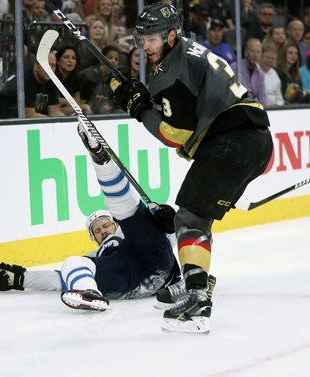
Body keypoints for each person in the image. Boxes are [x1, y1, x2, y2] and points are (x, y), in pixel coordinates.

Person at [110, 2, 273, 334]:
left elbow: (175, 134)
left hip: (234, 139)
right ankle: (196, 275)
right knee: (198, 212)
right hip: (250, 139)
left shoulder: (171, 71)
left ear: (171, 36)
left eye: (152, 39)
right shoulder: (190, 53)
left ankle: (198, 300)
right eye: (142, 40)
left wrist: (139, 107)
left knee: (190, 216)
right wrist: (145, 103)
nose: (145, 47)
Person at [0, 124, 180, 311]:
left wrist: (169, 225)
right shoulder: (95, 257)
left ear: (114, 226)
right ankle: (89, 293)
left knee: (128, 211)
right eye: (97, 231)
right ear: (94, 239)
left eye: (105, 226)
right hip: (123, 281)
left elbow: (169, 240)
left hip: (156, 266)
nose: (103, 231)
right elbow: (57, 280)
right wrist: (21, 279)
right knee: (72, 262)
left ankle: (101, 159)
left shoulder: (127, 231)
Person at [0, 52, 64, 118]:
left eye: (53, 65)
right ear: (36, 66)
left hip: (24, 125)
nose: (50, 69)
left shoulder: (51, 81)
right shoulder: (25, 82)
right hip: (2, 124)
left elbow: (54, 112)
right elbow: (30, 115)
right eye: (46, 64)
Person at [231, 38, 269, 107]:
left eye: (258, 52)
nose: (255, 55)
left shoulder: (260, 74)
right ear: (245, 53)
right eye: (252, 51)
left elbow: (263, 97)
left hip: (253, 109)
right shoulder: (234, 68)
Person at [55, 45, 92, 115]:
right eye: (66, 57)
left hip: (68, 111)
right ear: (58, 61)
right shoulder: (52, 78)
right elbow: (55, 108)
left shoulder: (76, 79)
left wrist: (66, 101)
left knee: (86, 109)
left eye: (74, 58)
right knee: (85, 108)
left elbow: (77, 102)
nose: (70, 61)